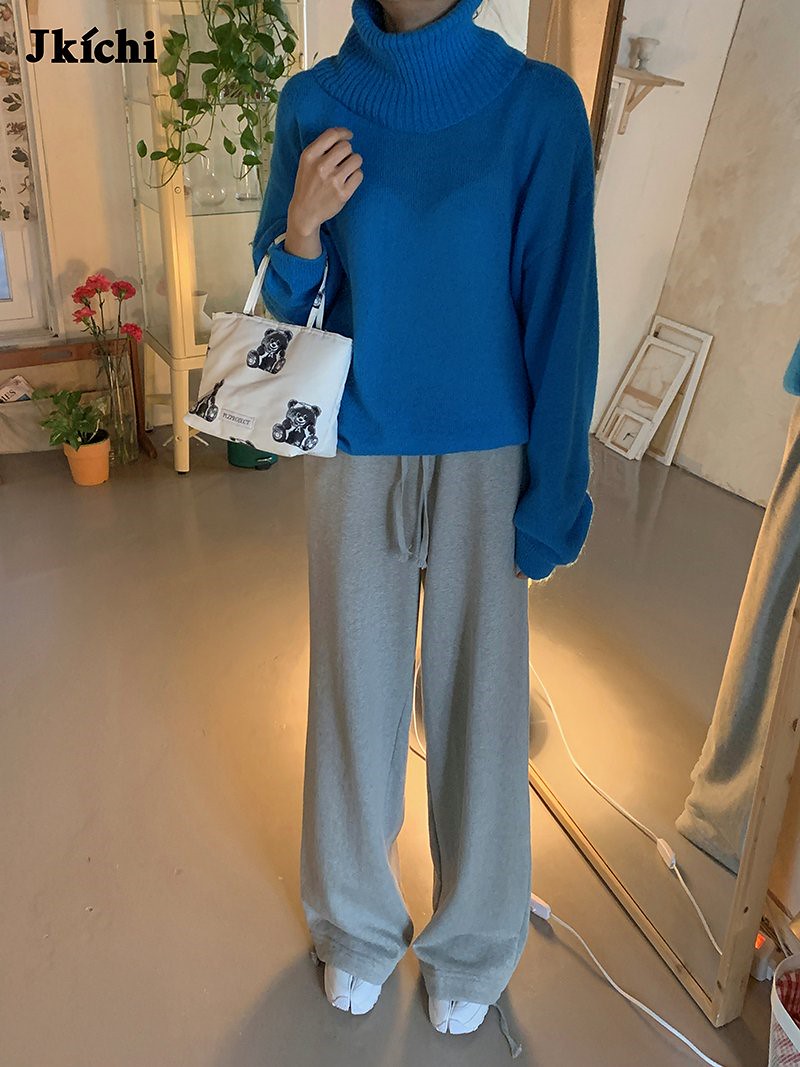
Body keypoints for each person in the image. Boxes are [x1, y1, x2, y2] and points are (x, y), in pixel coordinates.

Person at [251, 0, 599, 1052]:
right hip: (354, 449)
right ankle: (353, 927)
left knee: (480, 707)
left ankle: (473, 944)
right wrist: (302, 230)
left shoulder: (536, 107)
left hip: (488, 460)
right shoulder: (313, 103)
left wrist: (555, 491)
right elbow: (278, 318)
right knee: (351, 696)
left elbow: (562, 308)